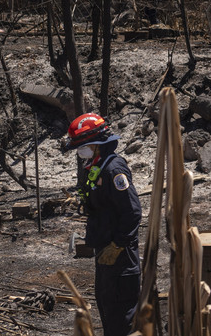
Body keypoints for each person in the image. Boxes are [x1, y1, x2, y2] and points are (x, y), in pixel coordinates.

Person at [66, 113, 141, 336]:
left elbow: (132, 211)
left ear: (98, 144)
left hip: (121, 255)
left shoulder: (114, 170)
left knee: (121, 316)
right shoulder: (97, 165)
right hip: (105, 252)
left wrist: (118, 244)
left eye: (84, 146)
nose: (81, 152)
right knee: (108, 308)